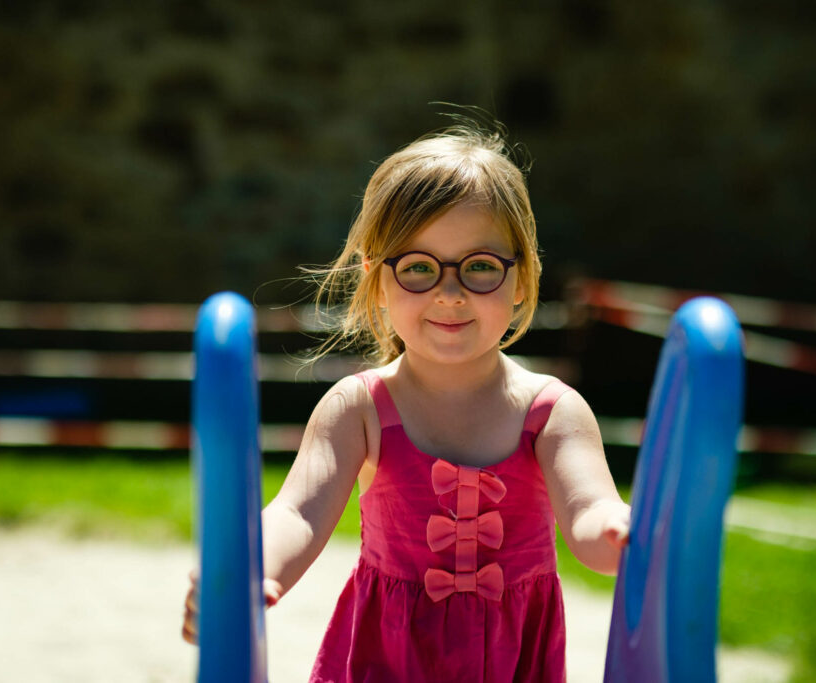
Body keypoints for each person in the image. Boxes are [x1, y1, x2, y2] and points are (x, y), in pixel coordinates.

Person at [183, 121, 631, 682]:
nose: (449, 291)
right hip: (386, 660)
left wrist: (623, 534)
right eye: (418, 267)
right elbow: (297, 511)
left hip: (513, 664)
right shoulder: (360, 409)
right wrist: (246, 570)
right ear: (377, 279)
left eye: (481, 267)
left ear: (521, 279)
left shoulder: (551, 413)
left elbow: (589, 511)